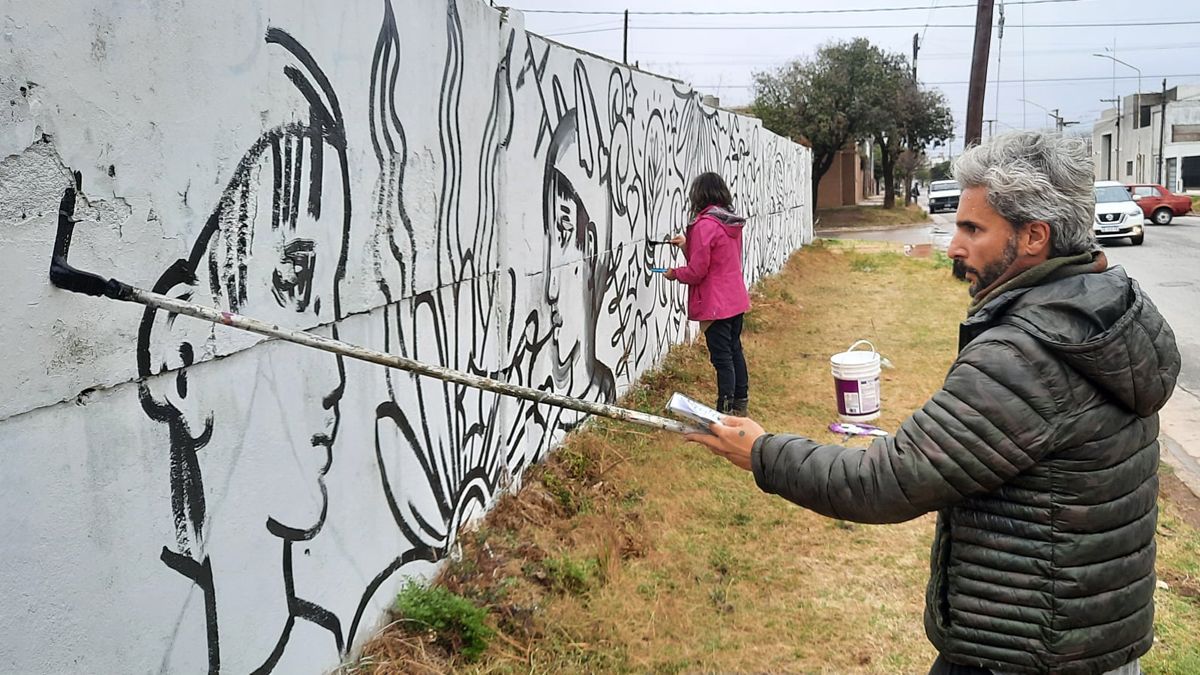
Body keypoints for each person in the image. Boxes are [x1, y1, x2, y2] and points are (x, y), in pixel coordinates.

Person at [688, 131, 1180, 675]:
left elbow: (886, 482)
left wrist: (763, 451)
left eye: (973, 229)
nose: (953, 247)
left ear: (1034, 236)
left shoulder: (1025, 356)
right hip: (1085, 639)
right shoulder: (1103, 308)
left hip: (1021, 651)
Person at [665, 172, 752, 415]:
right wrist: (686, 245)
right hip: (734, 299)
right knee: (734, 351)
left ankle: (724, 411)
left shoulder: (705, 225)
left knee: (722, 358)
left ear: (700, 195)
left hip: (715, 304)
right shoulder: (729, 222)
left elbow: (697, 271)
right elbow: (715, 261)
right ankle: (740, 403)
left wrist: (675, 273)